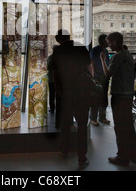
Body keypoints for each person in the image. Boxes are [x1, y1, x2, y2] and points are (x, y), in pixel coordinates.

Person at [52, 29, 92, 169]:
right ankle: (82, 157)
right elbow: (90, 67)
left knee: (65, 123)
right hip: (82, 91)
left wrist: (57, 89)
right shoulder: (80, 46)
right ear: (69, 36)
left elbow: (55, 73)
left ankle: (64, 150)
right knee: (82, 124)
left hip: (66, 93)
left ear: (58, 39)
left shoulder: (58, 51)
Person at [101, 32, 136, 166]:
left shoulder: (116, 57)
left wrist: (102, 60)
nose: (109, 45)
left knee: (120, 127)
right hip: (128, 95)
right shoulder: (128, 54)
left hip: (119, 96)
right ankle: (133, 154)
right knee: (128, 126)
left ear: (115, 41)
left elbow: (108, 74)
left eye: (110, 42)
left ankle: (122, 156)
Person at [89, 34, 110, 126]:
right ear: (103, 41)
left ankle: (102, 117)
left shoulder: (105, 50)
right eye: (107, 40)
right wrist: (93, 76)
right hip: (97, 77)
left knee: (104, 97)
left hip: (104, 77)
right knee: (95, 97)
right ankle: (93, 118)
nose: (108, 42)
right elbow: (92, 63)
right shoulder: (95, 50)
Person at [47, 46, 57, 115]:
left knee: (51, 95)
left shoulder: (50, 58)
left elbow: (47, 67)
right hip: (59, 79)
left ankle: (52, 108)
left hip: (51, 79)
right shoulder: (61, 58)